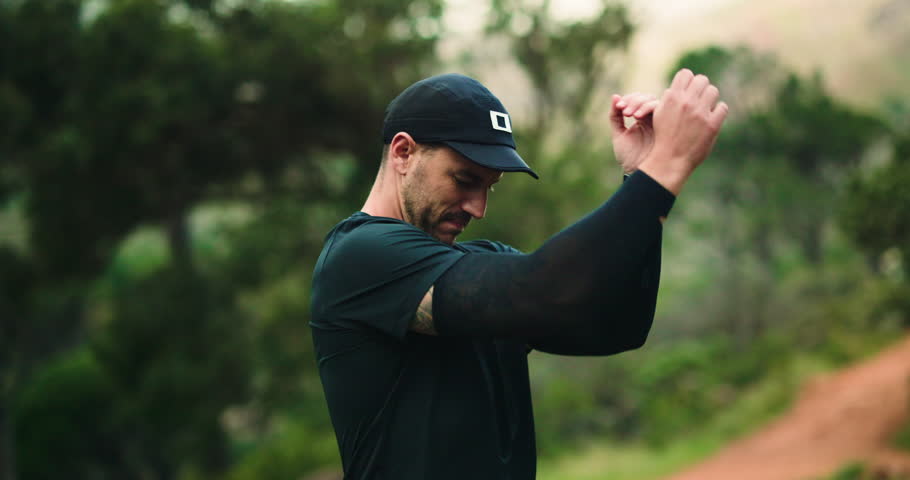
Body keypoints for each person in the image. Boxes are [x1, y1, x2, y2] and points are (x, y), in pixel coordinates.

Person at [310, 70, 728, 479]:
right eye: (465, 179)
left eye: (489, 187)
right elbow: (543, 291)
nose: (478, 208)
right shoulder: (359, 257)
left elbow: (618, 325)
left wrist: (639, 175)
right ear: (403, 152)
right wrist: (666, 169)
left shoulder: (481, 264)